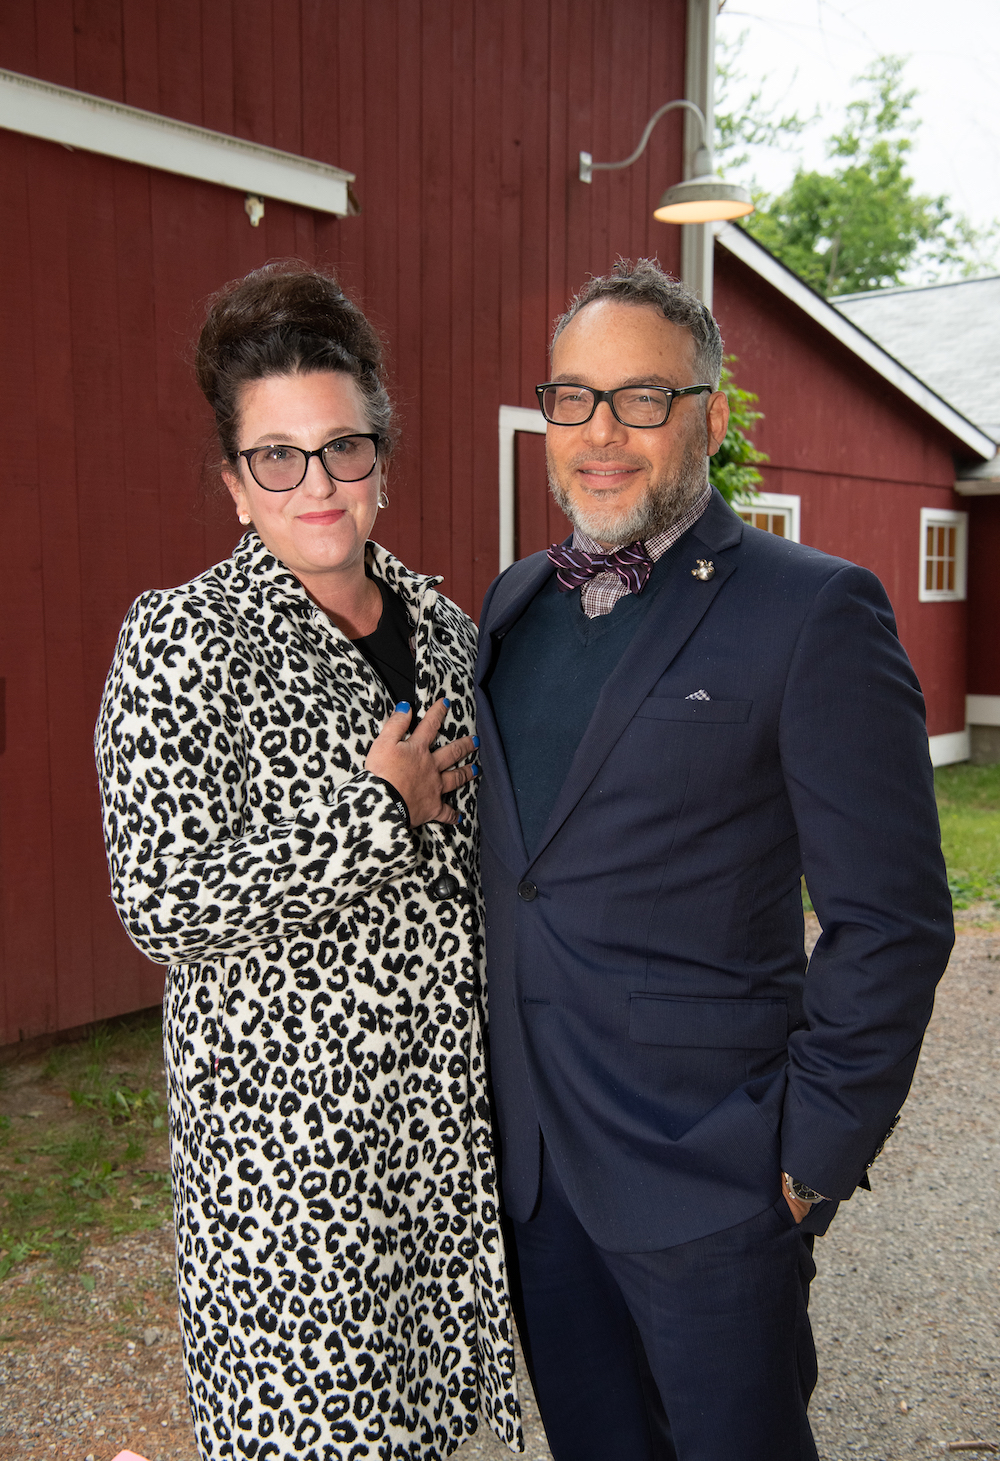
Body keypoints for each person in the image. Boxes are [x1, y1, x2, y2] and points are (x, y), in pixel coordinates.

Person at [474, 257, 952, 1461]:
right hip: (537, 1171)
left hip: (713, 1175)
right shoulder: (512, 606)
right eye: (574, 398)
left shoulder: (813, 609)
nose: (601, 433)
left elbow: (891, 919)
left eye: (642, 398)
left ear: (710, 417)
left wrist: (804, 1158)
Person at [95, 263, 519, 1461]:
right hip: (286, 1164)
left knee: (430, 1431)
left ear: (383, 456)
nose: (316, 483)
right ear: (235, 483)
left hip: (437, 1129)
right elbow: (158, 898)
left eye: (342, 447)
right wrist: (373, 815)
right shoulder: (183, 638)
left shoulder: (444, 628)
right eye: (276, 456)